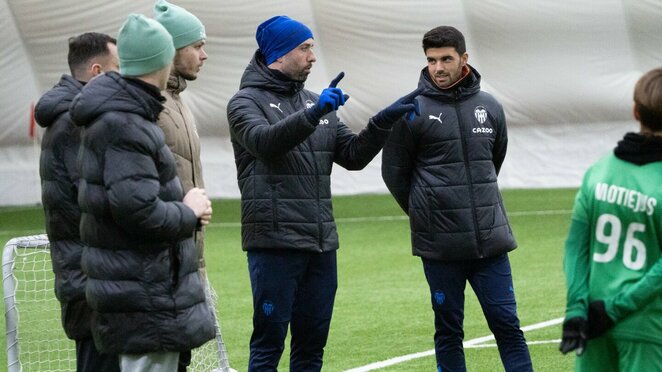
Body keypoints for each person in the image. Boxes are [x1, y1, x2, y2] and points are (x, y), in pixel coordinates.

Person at [226, 15, 421, 372]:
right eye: (305, 48)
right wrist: (316, 113)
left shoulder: (317, 103)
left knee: (311, 347)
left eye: (312, 47)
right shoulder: (244, 103)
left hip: (320, 244)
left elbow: (353, 156)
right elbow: (265, 144)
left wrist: (381, 123)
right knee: (268, 346)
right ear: (279, 54)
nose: (313, 56)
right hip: (274, 244)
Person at [381, 26, 533, 372]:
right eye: (431, 60)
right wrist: (426, 212)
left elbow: (493, 161)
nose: (438, 67)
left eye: (446, 58)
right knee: (448, 330)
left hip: (490, 244)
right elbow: (394, 173)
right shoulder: (410, 111)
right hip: (440, 247)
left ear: (464, 59)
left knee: (508, 325)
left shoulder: (489, 106)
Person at [70, 14, 215, 372]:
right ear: (164, 60)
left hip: (141, 290)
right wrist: (189, 211)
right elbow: (137, 210)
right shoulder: (125, 123)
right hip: (141, 295)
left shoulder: (124, 115)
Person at [559, 67, 662, 371]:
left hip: (592, 320)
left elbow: (575, 247)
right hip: (645, 325)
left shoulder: (599, 171)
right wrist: (616, 310)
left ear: (635, 111)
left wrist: (577, 309)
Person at [36, 32, 120, 372]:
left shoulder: (75, 117)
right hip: (90, 280)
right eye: (117, 68)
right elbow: (95, 199)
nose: (123, 76)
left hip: (90, 276)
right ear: (97, 71)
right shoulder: (75, 122)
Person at [153, 2, 211, 370]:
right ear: (171, 50)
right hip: (159, 265)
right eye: (197, 45)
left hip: (185, 259)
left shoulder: (178, 102)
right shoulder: (151, 105)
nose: (204, 55)